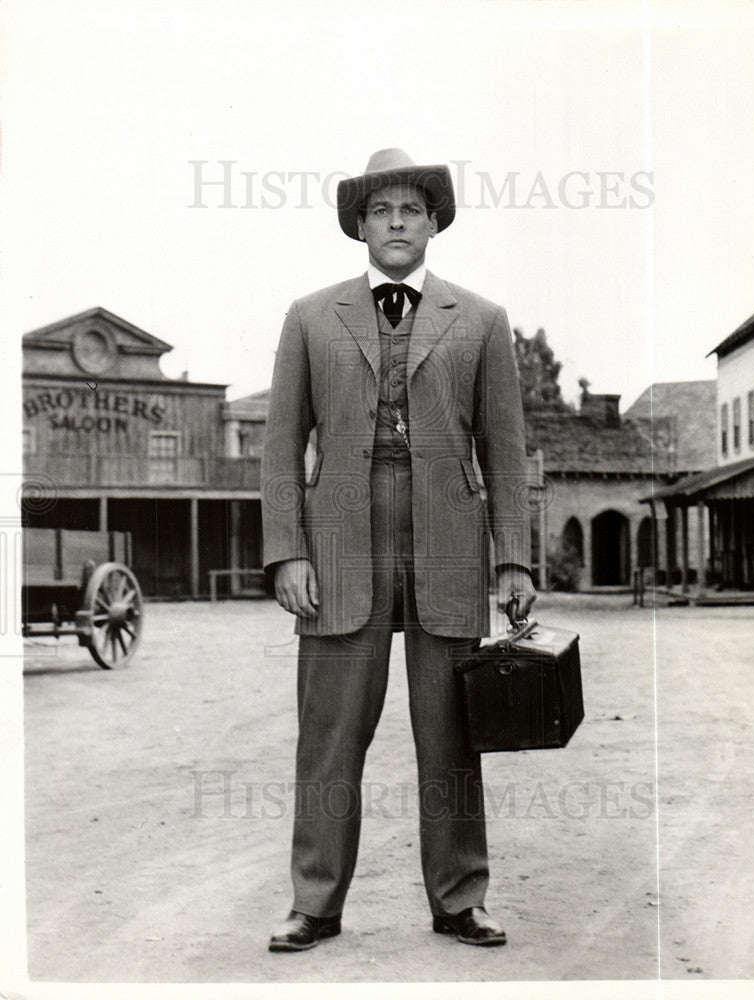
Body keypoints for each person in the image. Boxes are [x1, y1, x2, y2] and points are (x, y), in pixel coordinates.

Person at [261, 148, 536, 952]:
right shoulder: (310, 316)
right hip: (340, 537)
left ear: (432, 223)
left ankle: (458, 898)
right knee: (330, 730)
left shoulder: (479, 319)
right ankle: (315, 902)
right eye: (380, 211)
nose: (395, 223)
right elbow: (281, 447)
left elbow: (506, 449)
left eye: (410, 210)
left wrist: (512, 558)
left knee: (450, 729)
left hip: (448, 538)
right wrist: (287, 552)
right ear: (359, 225)